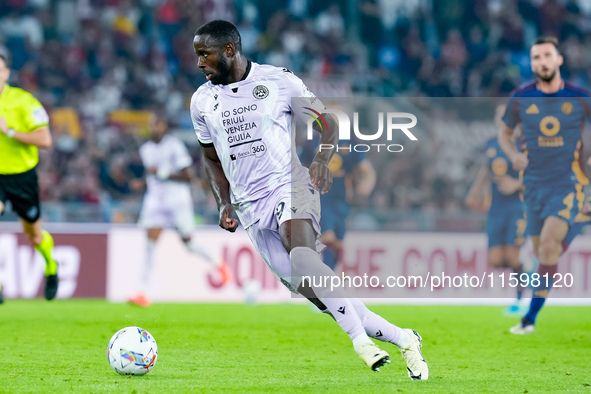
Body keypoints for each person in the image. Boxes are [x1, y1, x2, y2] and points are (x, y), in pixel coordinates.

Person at [190, 20, 428, 379]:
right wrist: (222, 202)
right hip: (250, 209)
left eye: (204, 54)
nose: (199, 64)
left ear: (229, 50)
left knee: (302, 255)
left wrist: (320, 157)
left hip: (289, 184)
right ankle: (405, 337)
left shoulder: (279, 81)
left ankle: (361, 343)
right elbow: (210, 157)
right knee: (321, 296)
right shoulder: (201, 101)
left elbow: (327, 122)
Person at [499, 37, 591, 335]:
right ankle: (581, 219)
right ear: (532, 63)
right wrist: (513, 155)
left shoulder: (580, 96)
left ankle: (529, 319)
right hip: (533, 186)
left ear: (559, 59)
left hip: (568, 182)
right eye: (537, 57)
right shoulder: (521, 97)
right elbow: (504, 133)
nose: (543, 62)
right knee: (544, 255)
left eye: (548, 55)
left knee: (549, 247)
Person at [128, 113, 232, 307]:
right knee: (149, 245)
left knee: (189, 244)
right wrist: (143, 182)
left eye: (159, 125)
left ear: (164, 127)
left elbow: (188, 175)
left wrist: (160, 173)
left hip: (177, 200)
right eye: (153, 125)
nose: (155, 128)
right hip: (155, 201)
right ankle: (143, 293)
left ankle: (219, 264)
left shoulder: (174, 146)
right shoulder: (146, 149)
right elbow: (152, 174)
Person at [0, 49, 59, 304]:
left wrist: (10, 132)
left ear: (6, 73)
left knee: (35, 236)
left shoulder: (24, 101)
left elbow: (45, 140)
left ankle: (51, 266)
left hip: (22, 177)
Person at [465, 105, 527, 314]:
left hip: (518, 207)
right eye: (498, 115)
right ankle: (529, 272)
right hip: (496, 208)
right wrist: (475, 191)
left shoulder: (524, 144)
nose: (501, 118)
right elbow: (486, 168)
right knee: (495, 260)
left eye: (505, 115)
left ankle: (519, 301)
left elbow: (540, 173)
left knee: (513, 257)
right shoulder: (491, 143)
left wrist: (517, 184)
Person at [300, 137, 376, 271]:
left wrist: (368, 184)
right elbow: (297, 163)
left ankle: (329, 274)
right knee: (328, 237)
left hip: (342, 200)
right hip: (322, 197)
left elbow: (366, 168)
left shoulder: (351, 143)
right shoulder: (313, 141)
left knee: (338, 244)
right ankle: (326, 281)